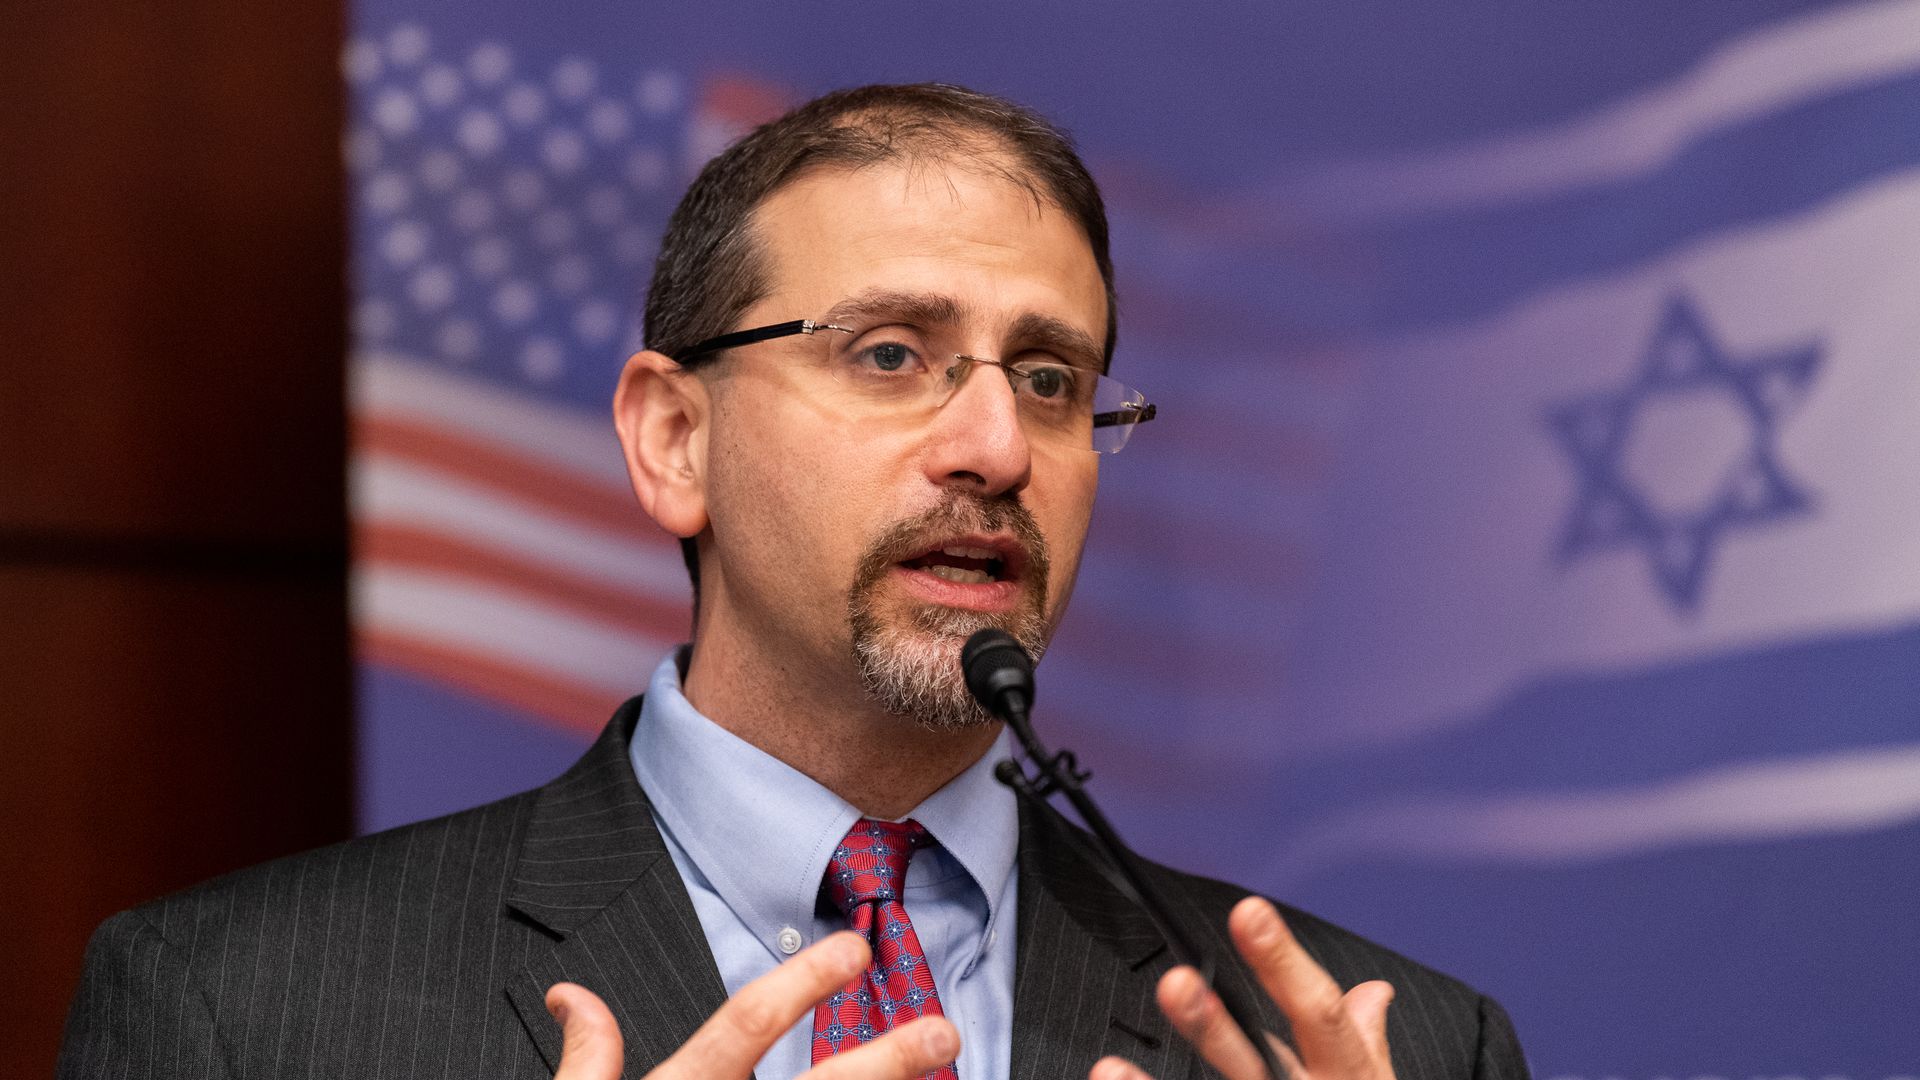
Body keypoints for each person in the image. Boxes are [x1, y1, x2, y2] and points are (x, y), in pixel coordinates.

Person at [57, 83, 1529, 1080]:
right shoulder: (241, 1013)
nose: (996, 444)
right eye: (890, 354)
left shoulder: (1374, 1042)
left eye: (1052, 377)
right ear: (675, 438)